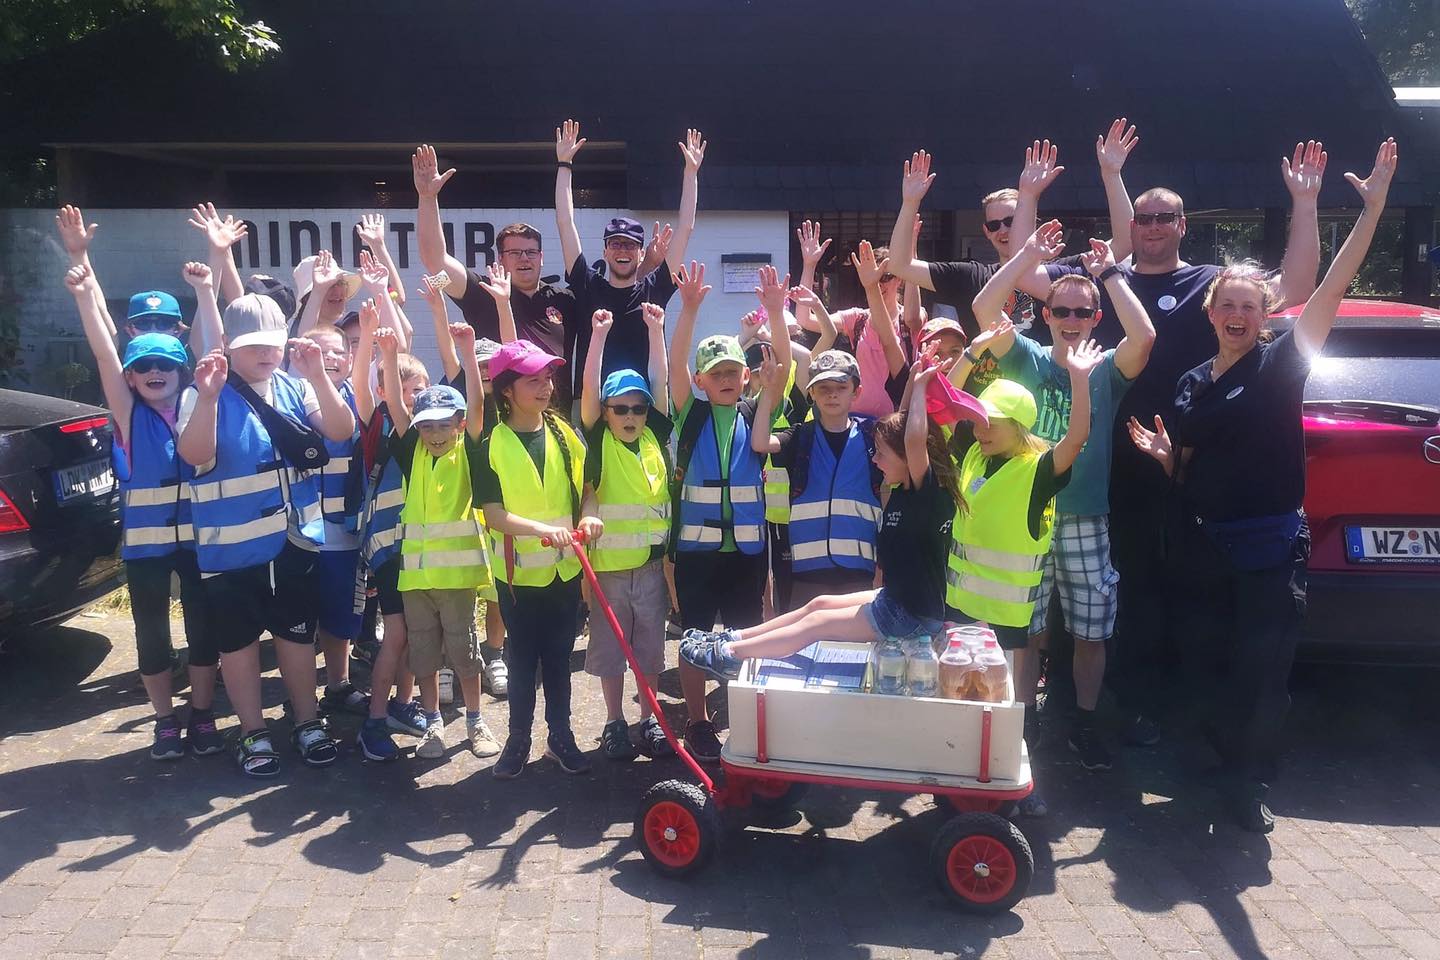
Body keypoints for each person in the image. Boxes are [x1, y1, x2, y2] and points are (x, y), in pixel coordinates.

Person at [1012, 137, 1328, 747]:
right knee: (1108, 592)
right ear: (1133, 225)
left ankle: (1169, 712)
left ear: (1183, 225)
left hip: (1189, 465)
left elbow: (1296, 282)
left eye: (1166, 217)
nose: (1154, 227)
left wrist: (1307, 203)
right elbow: (1029, 275)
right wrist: (1030, 194)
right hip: (1110, 466)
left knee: (1178, 592)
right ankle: (1104, 705)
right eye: (1144, 218)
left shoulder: (1213, 286)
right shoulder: (1105, 281)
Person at [1127, 139, 1397, 833]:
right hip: (1202, 549)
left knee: (1261, 673)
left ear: (1263, 313)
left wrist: (1369, 209)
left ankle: (1248, 785)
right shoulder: (1191, 383)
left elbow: (1334, 285)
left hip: (1270, 551)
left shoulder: (1282, 365)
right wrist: (1166, 458)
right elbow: (1190, 469)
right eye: (1229, 306)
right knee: (1209, 662)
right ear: (1212, 313)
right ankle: (1213, 764)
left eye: (1250, 304)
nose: (1239, 314)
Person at [967, 219, 1157, 772]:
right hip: (1028, 516)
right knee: (1025, 627)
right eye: (1061, 311)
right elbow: (984, 309)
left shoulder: (1105, 368)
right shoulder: (1023, 355)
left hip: (1085, 518)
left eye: (1082, 312)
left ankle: (1085, 722)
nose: (1071, 321)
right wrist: (1024, 252)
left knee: (1092, 627)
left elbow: (1144, 339)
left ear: (1096, 318)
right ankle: (1024, 720)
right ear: (1045, 315)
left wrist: (1112, 274)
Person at [679, 358, 960, 681]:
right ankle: (733, 638)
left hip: (911, 616)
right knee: (819, 605)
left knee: (817, 625)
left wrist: (922, 385)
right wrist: (912, 381)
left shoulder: (927, 495)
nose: (875, 459)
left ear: (909, 458)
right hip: (896, 599)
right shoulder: (902, 491)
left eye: (882, 454)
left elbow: (911, 438)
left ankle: (731, 656)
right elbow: (902, 427)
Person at [176, 294, 356, 776]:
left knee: (297, 637)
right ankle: (252, 731)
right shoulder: (201, 391)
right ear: (230, 343)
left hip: (294, 544)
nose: (266, 355)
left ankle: (307, 720)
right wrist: (210, 396)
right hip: (231, 550)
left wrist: (318, 374)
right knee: (237, 646)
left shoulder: (294, 387)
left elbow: (341, 430)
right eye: (255, 346)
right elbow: (195, 456)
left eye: (274, 345)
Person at [63, 260, 223, 760]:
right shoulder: (128, 417)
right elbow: (105, 355)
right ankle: (164, 721)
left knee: (202, 633)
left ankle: (200, 714)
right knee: (151, 636)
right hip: (148, 551)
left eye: (166, 365)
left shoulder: (200, 404)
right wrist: (87, 294)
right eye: (144, 366)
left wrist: (207, 285)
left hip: (198, 546)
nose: (155, 372)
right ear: (131, 378)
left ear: (183, 370)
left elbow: (213, 346)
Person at [943, 346, 1104, 816]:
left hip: (1007, 624)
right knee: (962, 701)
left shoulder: (1038, 471)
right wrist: (970, 354)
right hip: (961, 614)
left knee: (1005, 711)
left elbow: (1076, 438)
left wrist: (1078, 378)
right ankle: (959, 783)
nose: (982, 428)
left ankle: (1015, 790)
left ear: (1020, 426)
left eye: (993, 421)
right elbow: (947, 407)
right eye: (979, 420)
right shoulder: (972, 453)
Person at [667, 263, 788, 760]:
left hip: (746, 554)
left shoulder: (756, 411)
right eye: (714, 373)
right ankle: (697, 723)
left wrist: (777, 315)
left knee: (746, 638)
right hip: (697, 554)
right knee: (695, 638)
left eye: (733, 372)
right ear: (700, 379)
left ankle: (743, 715)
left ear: (746, 376)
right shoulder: (689, 412)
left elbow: (781, 370)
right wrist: (689, 309)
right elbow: (674, 364)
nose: (725, 380)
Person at [884, 125, 1138, 348]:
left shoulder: (1061, 273)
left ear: (1029, 222)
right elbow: (899, 265)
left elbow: (1126, 243)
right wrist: (909, 202)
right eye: (994, 225)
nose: (1003, 230)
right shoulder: (972, 275)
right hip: (987, 398)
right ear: (986, 231)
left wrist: (1112, 175)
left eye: (1011, 221)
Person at [473, 340, 598, 779]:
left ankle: (560, 738)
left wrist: (592, 516)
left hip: (565, 572)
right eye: (533, 380)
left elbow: (586, 490)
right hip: (517, 580)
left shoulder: (565, 434)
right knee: (523, 662)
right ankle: (518, 739)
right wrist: (545, 531)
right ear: (506, 389)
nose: (546, 386)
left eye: (547, 378)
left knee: (560, 660)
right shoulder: (491, 443)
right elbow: (492, 515)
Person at [381, 322, 502, 762]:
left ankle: (474, 720)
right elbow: (395, 403)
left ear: (459, 423)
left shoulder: (467, 451)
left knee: (465, 654)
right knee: (424, 655)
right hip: (415, 582)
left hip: (457, 581)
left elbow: (478, 404)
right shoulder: (412, 452)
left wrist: (469, 354)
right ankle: (432, 721)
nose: (434, 433)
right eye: (426, 425)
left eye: (443, 424)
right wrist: (389, 354)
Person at [413, 144, 583, 411]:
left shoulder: (565, 299)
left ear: (541, 257)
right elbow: (435, 260)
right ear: (500, 259)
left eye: (530, 252)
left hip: (555, 423)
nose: (524, 259)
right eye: (514, 253)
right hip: (498, 420)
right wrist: (426, 198)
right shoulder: (483, 293)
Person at [577, 304, 675, 761]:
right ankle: (614, 722)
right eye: (621, 408)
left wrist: (657, 331)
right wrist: (598, 337)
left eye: (638, 407)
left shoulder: (655, 434)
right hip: (610, 572)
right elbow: (592, 491)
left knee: (650, 648)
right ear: (608, 412)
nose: (631, 415)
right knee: (611, 650)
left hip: (651, 568)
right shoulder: (599, 438)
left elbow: (660, 381)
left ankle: (649, 718)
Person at [556, 120, 705, 384]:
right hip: (595, 408)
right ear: (605, 251)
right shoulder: (588, 284)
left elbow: (686, 227)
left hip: (644, 406)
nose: (622, 250)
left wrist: (691, 173)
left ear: (640, 253)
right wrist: (564, 165)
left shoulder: (654, 289)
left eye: (629, 245)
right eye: (615, 244)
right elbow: (565, 223)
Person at [354, 315, 433, 762]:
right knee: (398, 632)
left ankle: (403, 706)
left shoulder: (431, 430)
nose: (417, 396)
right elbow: (364, 387)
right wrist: (375, 344)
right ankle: (375, 719)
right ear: (386, 390)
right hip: (389, 547)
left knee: (417, 633)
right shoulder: (378, 420)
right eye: (409, 388)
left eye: (422, 387)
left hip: (422, 548)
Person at [753, 347, 882, 609]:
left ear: (856, 392)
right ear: (811, 393)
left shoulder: (873, 437)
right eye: (823, 387)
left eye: (841, 386)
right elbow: (760, 443)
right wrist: (767, 392)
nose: (832, 394)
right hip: (806, 576)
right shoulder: (801, 436)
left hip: (859, 573)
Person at [298, 323, 370, 721]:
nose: (330, 358)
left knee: (341, 614)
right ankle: (301, 692)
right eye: (319, 351)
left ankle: (338, 685)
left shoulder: (359, 399)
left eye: (338, 352)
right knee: (302, 617)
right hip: (304, 531)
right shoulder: (295, 396)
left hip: (346, 530)